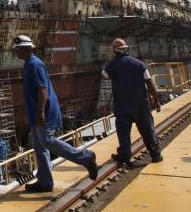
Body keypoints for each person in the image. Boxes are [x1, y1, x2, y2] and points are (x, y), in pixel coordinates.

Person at [14, 35, 98, 192]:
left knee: (47, 141)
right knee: (39, 146)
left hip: (45, 113)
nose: (16, 51)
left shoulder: (34, 64)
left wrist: (40, 111)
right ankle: (45, 181)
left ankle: (86, 158)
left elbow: (42, 90)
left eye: (18, 49)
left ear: (26, 49)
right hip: (35, 114)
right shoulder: (28, 64)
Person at [102, 38, 162, 166]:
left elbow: (105, 75)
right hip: (141, 104)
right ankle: (156, 154)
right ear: (126, 49)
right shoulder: (139, 64)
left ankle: (125, 155)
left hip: (122, 105)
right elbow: (150, 83)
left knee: (123, 131)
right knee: (147, 129)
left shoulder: (112, 66)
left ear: (114, 50)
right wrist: (156, 100)